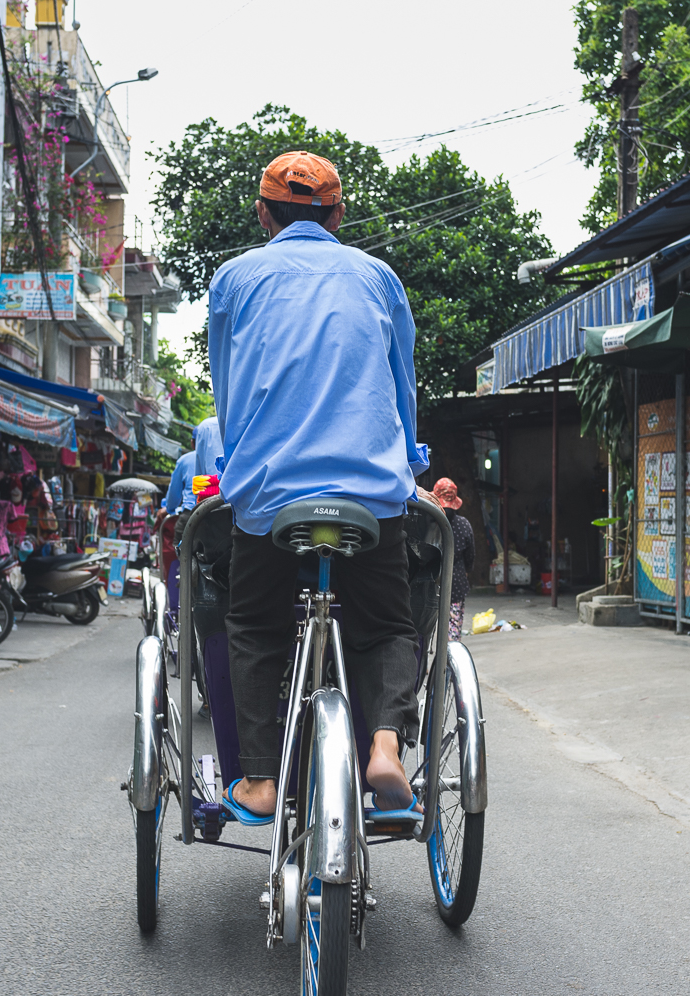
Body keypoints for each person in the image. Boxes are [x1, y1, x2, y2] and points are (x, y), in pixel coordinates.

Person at [209, 151, 428, 816]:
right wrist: (409, 465)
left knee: (254, 625)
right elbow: (401, 386)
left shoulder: (234, 278)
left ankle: (260, 781)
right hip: (370, 496)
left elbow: (228, 392)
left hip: (268, 498)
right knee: (387, 626)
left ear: (262, 213)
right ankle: (385, 746)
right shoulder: (378, 277)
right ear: (338, 215)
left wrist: (241, 465)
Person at [430, 478, 474, 640]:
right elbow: (470, 555)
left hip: (429, 583)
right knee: (453, 631)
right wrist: (467, 570)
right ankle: (450, 655)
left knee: (425, 631)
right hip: (456, 582)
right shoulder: (463, 524)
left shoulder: (429, 524)